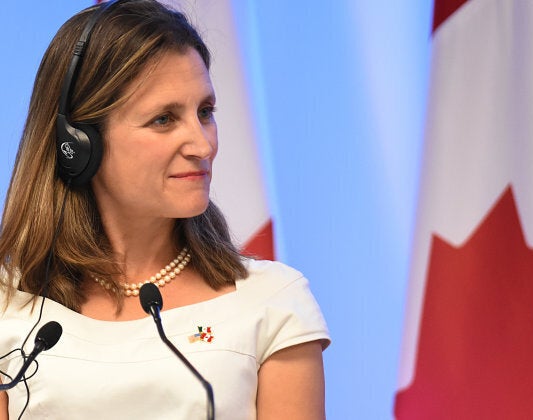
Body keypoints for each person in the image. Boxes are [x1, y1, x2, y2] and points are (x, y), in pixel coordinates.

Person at [0, 1, 330, 419]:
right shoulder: (8, 306)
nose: (203, 145)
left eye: (205, 112)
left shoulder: (274, 302)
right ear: (77, 144)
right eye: (163, 119)